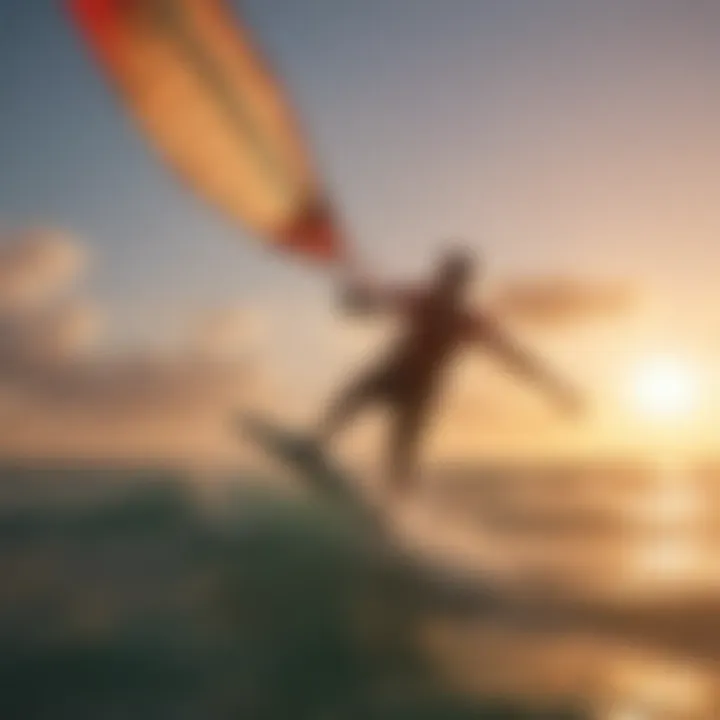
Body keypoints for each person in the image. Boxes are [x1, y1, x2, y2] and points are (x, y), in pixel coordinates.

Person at [315, 243, 583, 494]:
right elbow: (379, 302)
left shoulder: (467, 320)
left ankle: (390, 510)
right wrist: (356, 302)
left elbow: (515, 359)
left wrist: (558, 391)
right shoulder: (422, 298)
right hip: (393, 373)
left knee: (400, 454)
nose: (444, 282)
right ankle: (317, 444)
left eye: (452, 278)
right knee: (350, 399)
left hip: (420, 393)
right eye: (444, 275)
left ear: (461, 284)